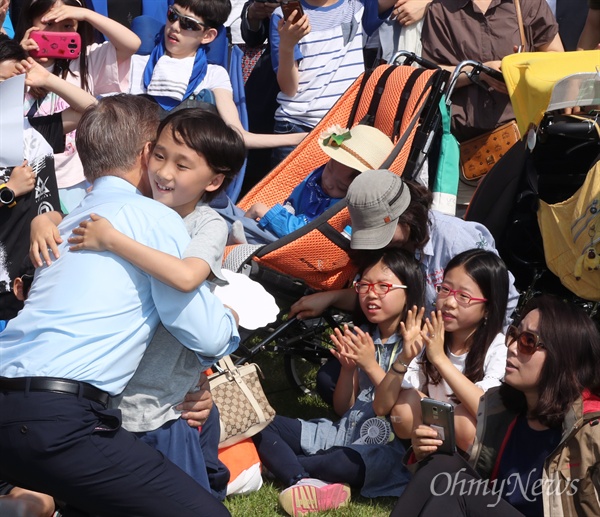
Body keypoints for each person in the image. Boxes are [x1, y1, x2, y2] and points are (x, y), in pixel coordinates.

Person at [0, 94, 238, 517]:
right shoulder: (153, 219)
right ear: (147, 152)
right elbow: (206, 332)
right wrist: (230, 323)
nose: (165, 172)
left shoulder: (72, 217)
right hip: (62, 418)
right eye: (162, 156)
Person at [289, 170, 519, 405]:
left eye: (382, 233)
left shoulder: (455, 239)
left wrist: (478, 351)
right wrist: (331, 297)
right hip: (405, 344)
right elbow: (380, 294)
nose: (380, 243)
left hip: (457, 350)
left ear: (407, 217)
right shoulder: (388, 246)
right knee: (330, 378)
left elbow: (503, 295)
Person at [389, 294, 600, 517]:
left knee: (457, 489)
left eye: (528, 341)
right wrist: (423, 453)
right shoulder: (504, 410)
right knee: (441, 465)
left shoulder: (591, 429)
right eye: (514, 335)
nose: (512, 347)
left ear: (563, 357)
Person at [253, 248, 422, 516]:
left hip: (384, 449)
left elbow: (398, 408)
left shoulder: (418, 344)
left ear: (409, 292)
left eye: (383, 286)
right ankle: (302, 479)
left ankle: (280, 467)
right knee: (261, 422)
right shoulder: (364, 334)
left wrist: (368, 364)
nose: (371, 294)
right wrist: (347, 370)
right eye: (363, 285)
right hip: (344, 432)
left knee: (342, 463)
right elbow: (344, 408)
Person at [0, 38, 96, 329]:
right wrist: (9, 191)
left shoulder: (35, 132)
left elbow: (94, 110)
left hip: (27, 288)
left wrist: (49, 79)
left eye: (15, 85)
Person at [373, 249, 509, 452]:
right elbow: (381, 407)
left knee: (464, 420)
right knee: (404, 405)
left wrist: (439, 359)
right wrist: (405, 357)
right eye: (445, 289)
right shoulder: (433, 337)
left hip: (476, 447)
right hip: (431, 440)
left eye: (464, 296)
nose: (449, 302)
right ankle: (421, 458)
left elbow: (485, 410)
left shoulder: (498, 348)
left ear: (488, 309)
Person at [128, 0, 305, 151]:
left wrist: (301, 138)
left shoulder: (214, 74)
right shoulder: (138, 63)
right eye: (172, 15)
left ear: (208, 35)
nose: (174, 27)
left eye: (188, 24)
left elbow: (240, 136)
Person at [17, 0, 141, 212]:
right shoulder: (13, 61)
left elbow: (132, 44)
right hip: (23, 177)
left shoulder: (88, 58)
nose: (57, 33)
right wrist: (17, 56)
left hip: (73, 179)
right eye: (48, 23)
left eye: (67, 26)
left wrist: (86, 14)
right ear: (30, 22)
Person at [268, 0, 396, 165]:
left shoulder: (358, 7)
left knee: (336, 187)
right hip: (296, 126)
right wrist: (287, 45)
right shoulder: (282, 15)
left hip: (343, 128)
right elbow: (289, 88)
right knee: (291, 190)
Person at [230, 124, 394, 244]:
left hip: (294, 249)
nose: (328, 183)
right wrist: (285, 212)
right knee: (226, 209)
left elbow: (313, 241)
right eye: (328, 170)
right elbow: (293, 202)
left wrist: (270, 214)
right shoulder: (316, 177)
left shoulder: (351, 213)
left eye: (341, 187)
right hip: (282, 228)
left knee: (229, 221)